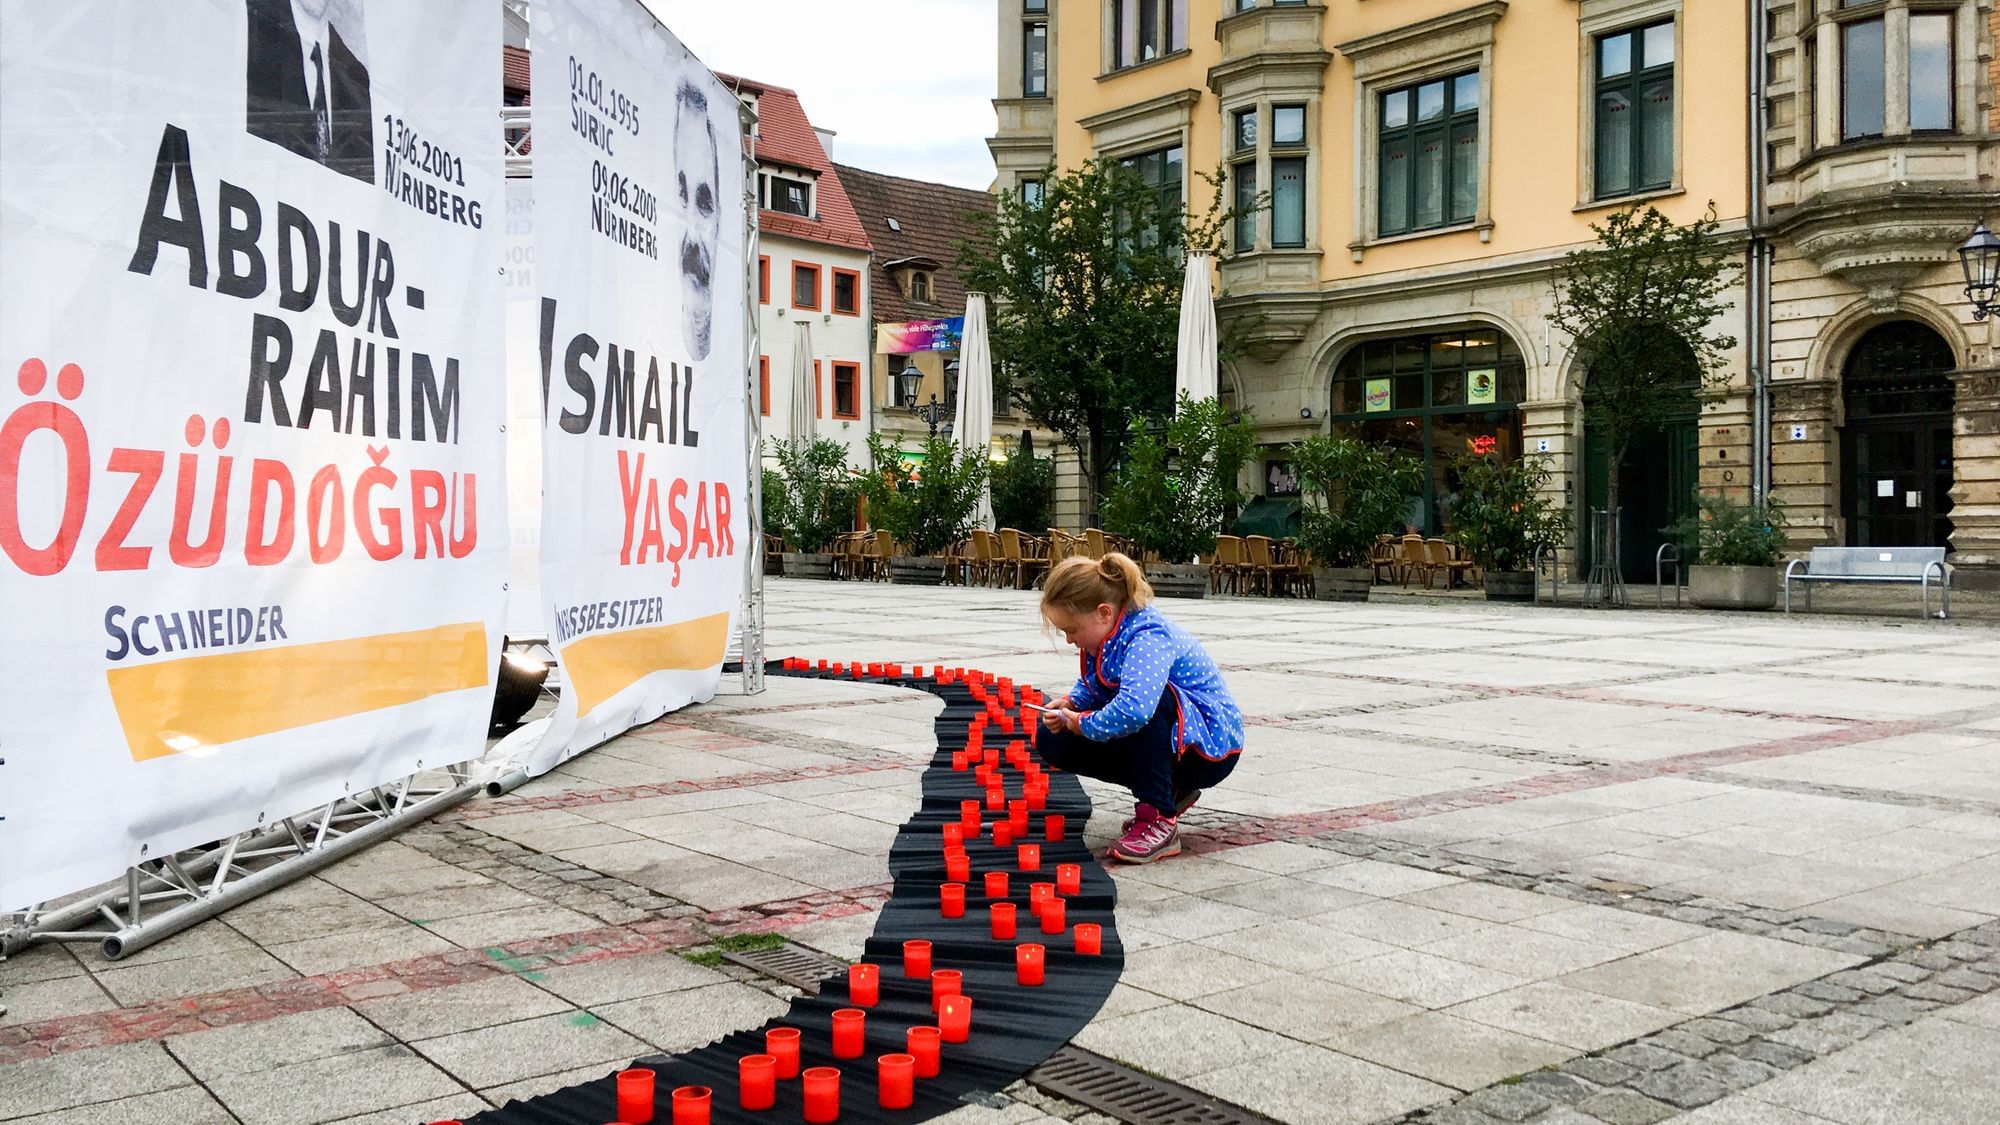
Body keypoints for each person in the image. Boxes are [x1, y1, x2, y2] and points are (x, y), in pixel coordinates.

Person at [1035, 553, 1245, 864]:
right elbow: (1098, 678)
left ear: (1103, 613)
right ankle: (1170, 790)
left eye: (1072, 630)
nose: (1069, 640)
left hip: (1209, 748)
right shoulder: (1110, 631)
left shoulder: (1147, 636)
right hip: (1174, 738)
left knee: (1143, 705)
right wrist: (1073, 704)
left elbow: (1136, 710)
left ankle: (1160, 816)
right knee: (1052, 739)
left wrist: (1084, 723)